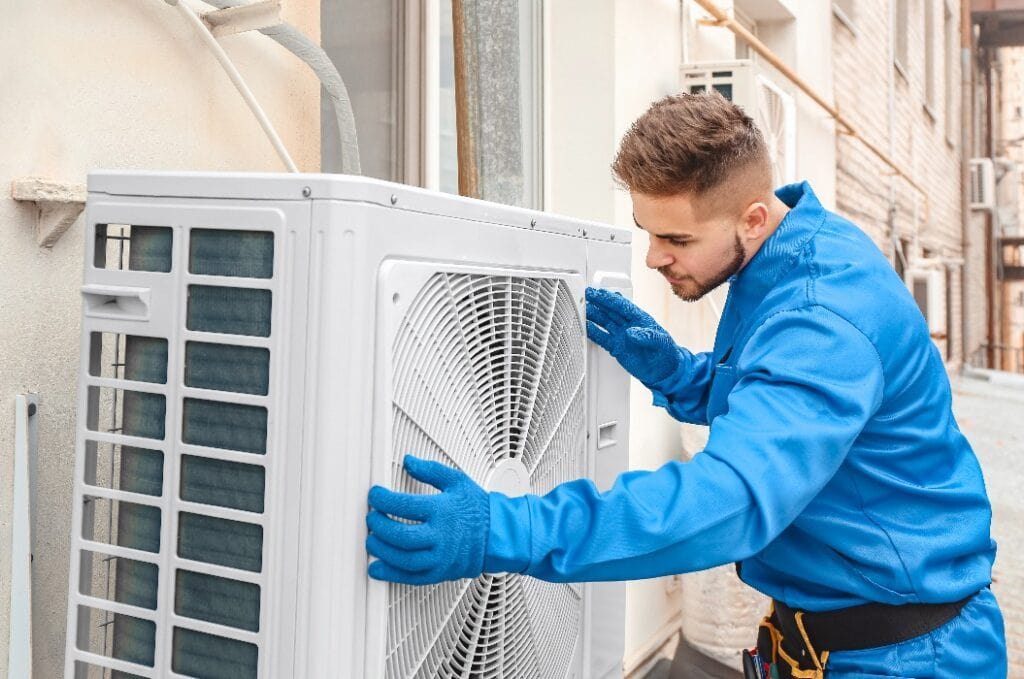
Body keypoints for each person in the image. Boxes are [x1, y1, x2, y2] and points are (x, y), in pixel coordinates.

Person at [364, 92, 1007, 678]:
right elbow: (777, 405)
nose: (653, 258)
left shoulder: (822, 316)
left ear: (752, 219)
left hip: (908, 657)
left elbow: (729, 501)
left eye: (676, 238)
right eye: (648, 232)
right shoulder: (788, 249)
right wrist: (677, 372)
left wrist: (508, 531)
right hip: (825, 639)